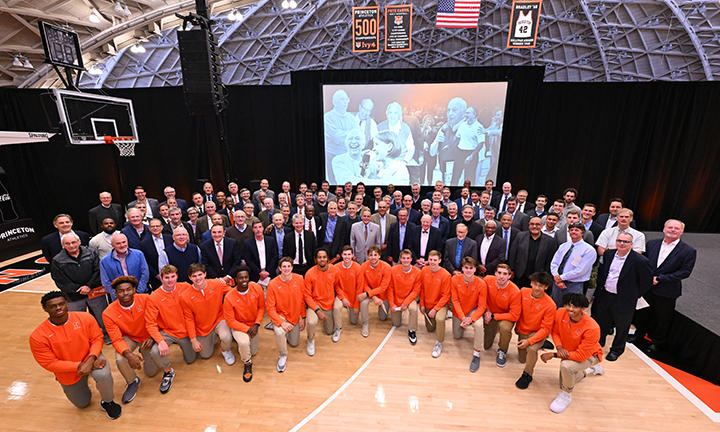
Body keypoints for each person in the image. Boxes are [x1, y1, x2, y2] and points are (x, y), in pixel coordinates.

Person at [29, 291, 121, 419]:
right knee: (82, 404)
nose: (58, 308)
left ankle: (108, 402)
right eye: (53, 306)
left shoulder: (85, 318)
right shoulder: (38, 336)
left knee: (103, 374)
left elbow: (97, 338)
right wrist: (80, 366)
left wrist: (91, 360)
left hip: (91, 357)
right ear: (45, 309)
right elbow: (49, 363)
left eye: (61, 304)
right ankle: (80, 383)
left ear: (66, 303)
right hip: (68, 370)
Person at [631, 219, 696, 355]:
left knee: (663, 318)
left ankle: (657, 343)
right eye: (670, 227)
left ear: (681, 231)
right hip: (647, 287)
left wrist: (661, 279)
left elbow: (685, 272)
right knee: (643, 313)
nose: (672, 230)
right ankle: (639, 335)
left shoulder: (689, 251)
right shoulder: (652, 244)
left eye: (676, 228)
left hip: (667, 290)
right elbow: (645, 263)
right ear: (664, 229)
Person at [103, 276, 165, 404]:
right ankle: (132, 381)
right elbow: (116, 339)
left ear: (134, 290)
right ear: (115, 293)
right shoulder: (108, 312)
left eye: (128, 289)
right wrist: (129, 354)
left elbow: (159, 319)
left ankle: (144, 353)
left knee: (151, 373)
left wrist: (153, 336)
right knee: (120, 359)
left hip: (148, 335)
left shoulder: (146, 299)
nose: (125, 293)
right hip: (129, 337)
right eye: (121, 291)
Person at [540, 293, 604, 414]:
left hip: (590, 355)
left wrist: (553, 355)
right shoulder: (560, 312)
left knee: (566, 367)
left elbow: (581, 356)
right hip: (569, 352)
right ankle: (587, 371)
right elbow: (555, 331)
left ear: (583, 308)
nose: (570, 309)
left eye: (575, 307)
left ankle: (566, 395)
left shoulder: (592, 327)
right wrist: (559, 347)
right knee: (564, 380)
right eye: (568, 305)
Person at [592, 233, 651, 361]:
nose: (622, 244)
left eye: (626, 242)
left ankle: (616, 350)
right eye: (619, 241)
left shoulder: (640, 260)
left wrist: (634, 295)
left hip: (625, 299)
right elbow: (603, 272)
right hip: (606, 294)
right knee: (602, 321)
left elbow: (646, 282)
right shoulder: (608, 254)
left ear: (631, 244)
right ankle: (599, 343)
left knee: (622, 326)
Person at [145, 265, 196, 394]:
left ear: (177, 276)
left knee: (191, 360)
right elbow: (150, 323)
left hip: (186, 332)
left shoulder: (185, 286)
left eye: (173, 276)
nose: (170, 280)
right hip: (168, 332)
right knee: (156, 351)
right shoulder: (154, 297)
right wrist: (160, 341)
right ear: (161, 279)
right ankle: (168, 372)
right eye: (166, 277)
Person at [50, 233, 109, 342]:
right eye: (67, 243)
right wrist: (78, 288)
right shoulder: (57, 260)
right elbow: (60, 280)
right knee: (78, 320)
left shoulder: (91, 253)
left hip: (94, 291)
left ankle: (107, 336)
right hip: (73, 296)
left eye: (73, 242)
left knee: (102, 316)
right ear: (63, 245)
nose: (71, 245)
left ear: (79, 242)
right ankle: (85, 339)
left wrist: (89, 286)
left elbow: (98, 271)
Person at [179, 263, 234, 364]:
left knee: (226, 337)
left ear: (205, 274)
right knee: (205, 355)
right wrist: (193, 340)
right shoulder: (185, 296)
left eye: (200, 275)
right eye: (194, 276)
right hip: (202, 327)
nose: (198, 278)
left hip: (219, 319)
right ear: (190, 277)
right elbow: (189, 319)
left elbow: (233, 293)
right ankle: (212, 337)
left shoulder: (217, 283)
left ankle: (225, 350)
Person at [514, 272, 556, 389]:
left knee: (532, 349)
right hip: (523, 330)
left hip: (538, 332)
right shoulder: (523, 292)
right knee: (522, 359)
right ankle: (542, 343)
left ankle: (527, 375)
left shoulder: (550, 305)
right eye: (535, 284)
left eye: (541, 286)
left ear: (546, 287)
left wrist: (530, 341)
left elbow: (546, 328)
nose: (537, 288)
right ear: (531, 283)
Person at [223, 266, 265, 382]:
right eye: (241, 278)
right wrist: (247, 329)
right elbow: (230, 321)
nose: (244, 280)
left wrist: (257, 325)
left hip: (254, 325)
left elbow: (261, 308)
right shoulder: (229, 297)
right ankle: (247, 363)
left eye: (246, 277)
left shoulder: (257, 288)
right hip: (238, 325)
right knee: (244, 342)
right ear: (236, 279)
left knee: (253, 351)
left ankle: (242, 347)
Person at [267, 257, 307, 373]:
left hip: (294, 315)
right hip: (281, 315)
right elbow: (270, 308)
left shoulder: (299, 279)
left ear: (292, 267)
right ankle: (283, 355)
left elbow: (302, 300)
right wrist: (281, 323)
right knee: (279, 332)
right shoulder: (273, 284)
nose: (286, 269)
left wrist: (303, 318)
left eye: (288, 266)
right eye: (284, 266)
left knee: (294, 343)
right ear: (279, 268)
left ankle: (286, 329)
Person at [450, 257, 487, 372]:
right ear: (462, 268)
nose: (468, 270)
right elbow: (454, 301)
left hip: (472, 310)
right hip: (459, 311)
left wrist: (471, 319)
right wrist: (462, 317)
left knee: (479, 325)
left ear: (475, 269)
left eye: (471, 268)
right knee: (457, 336)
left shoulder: (481, 283)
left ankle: (476, 354)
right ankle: (463, 324)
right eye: (466, 268)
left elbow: (482, 306)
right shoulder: (455, 280)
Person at [549, 223, 596, 307]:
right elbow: (554, 262)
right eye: (571, 230)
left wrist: (561, 278)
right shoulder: (563, 246)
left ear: (582, 233)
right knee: (555, 308)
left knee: (572, 310)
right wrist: (556, 276)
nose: (573, 232)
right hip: (557, 284)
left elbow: (581, 270)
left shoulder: (589, 250)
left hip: (574, 285)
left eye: (577, 230)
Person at [483, 264, 521, 368]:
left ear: (509, 276)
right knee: (486, 345)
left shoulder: (515, 291)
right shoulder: (487, 280)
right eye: (499, 273)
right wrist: (487, 310)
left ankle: (502, 351)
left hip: (505, 317)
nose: (501, 276)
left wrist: (494, 316)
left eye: (505, 274)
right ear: (495, 273)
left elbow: (515, 315)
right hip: (489, 313)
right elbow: (481, 297)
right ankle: (493, 330)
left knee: (504, 328)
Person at [304, 248, 340, 353]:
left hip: (328, 305)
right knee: (311, 322)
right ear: (316, 260)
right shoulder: (310, 273)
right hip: (315, 305)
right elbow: (307, 296)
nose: (322, 259)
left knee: (329, 332)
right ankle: (310, 340)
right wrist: (317, 311)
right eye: (319, 257)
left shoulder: (334, 270)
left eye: (324, 257)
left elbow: (337, 287)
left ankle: (329, 320)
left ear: (328, 258)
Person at [508, 217, 558, 288]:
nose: (534, 226)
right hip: (520, 275)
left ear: (542, 226)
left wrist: (546, 275)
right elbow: (512, 254)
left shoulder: (550, 241)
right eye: (532, 224)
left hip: (538, 277)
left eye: (537, 224)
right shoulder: (520, 236)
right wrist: (511, 269)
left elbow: (550, 260)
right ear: (529, 226)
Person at [419, 251, 451, 358]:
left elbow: (446, 296)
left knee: (440, 319)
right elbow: (422, 289)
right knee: (430, 329)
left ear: (440, 261)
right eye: (431, 260)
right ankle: (437, 318)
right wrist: (422, 304)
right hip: (428, 304)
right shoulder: (424, 270)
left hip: (440, 304)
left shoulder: (446, 275)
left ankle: (439, 342)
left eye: (435, 260)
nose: (432, 262)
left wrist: (436, 309)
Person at [100, 233, 149, 300]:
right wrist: (119, 295)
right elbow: (106, 282)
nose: (122, 245)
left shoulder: (139, 254)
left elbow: (145, 274)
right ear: (112, 245)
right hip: (118, 299)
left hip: (140, 295)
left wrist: (138, 292)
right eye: (118, 243)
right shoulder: (104, 261)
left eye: (124, 242)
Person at [388, 249, 422, 345]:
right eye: (403, 258)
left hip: (409, 298)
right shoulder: (393, 270)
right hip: (396, 298)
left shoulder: (417, 272)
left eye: (408, 258)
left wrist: (406, 303)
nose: (406, 260)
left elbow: (416, 291)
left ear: (411, 259)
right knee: (396, 324)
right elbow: (390, 288)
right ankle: (399, 314)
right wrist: (392, 304)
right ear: (400, 259)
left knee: (413, 309)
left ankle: (412, 331)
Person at [333, 246, 366, 336]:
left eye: (349, 254)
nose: (347, 257)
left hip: (354, 297)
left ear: (352, 255)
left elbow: (360, 287)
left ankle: (351, 310)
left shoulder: (358, 267)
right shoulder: (336, 267)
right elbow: (336, 286)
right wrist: (342, 298)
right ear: (341, 255)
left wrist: (356, 305)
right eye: (345, 254)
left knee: (353, 321)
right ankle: (338, 328)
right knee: (336, 307)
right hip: (342, 295)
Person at [357, 246, 392, 325]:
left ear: (379, 256)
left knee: (383, 318)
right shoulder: (363, 266)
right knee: (363, 300)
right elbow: (364, 284)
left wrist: (368, 294)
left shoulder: (387, 267)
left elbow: (383, 287)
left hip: (383, 294)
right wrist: (373, 296)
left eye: (375, 255)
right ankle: (365, 323)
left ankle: (388, 305)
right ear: (368, 256)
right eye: (371, 255)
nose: (373, 257)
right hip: (369, 291)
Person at [139, 218, 172, 291]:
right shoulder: (144, 243)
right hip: (156, 278)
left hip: (172, 275)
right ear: (149, 228)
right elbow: (146, 262)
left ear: (162, 227)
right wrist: (156, 275)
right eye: (153, 226)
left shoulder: (170, 238)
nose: (155, 228)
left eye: (157, 226)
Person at [244, 219, 279, 285]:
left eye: (260, 227)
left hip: (270, 274)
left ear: (263, 228)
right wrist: (260, 272)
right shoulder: (248, 243)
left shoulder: (271, 240)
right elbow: (249, 260)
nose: (258, 229)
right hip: (255, 276)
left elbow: (274, 257)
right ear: (252, 229)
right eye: (255, 227)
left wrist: (268, 272)